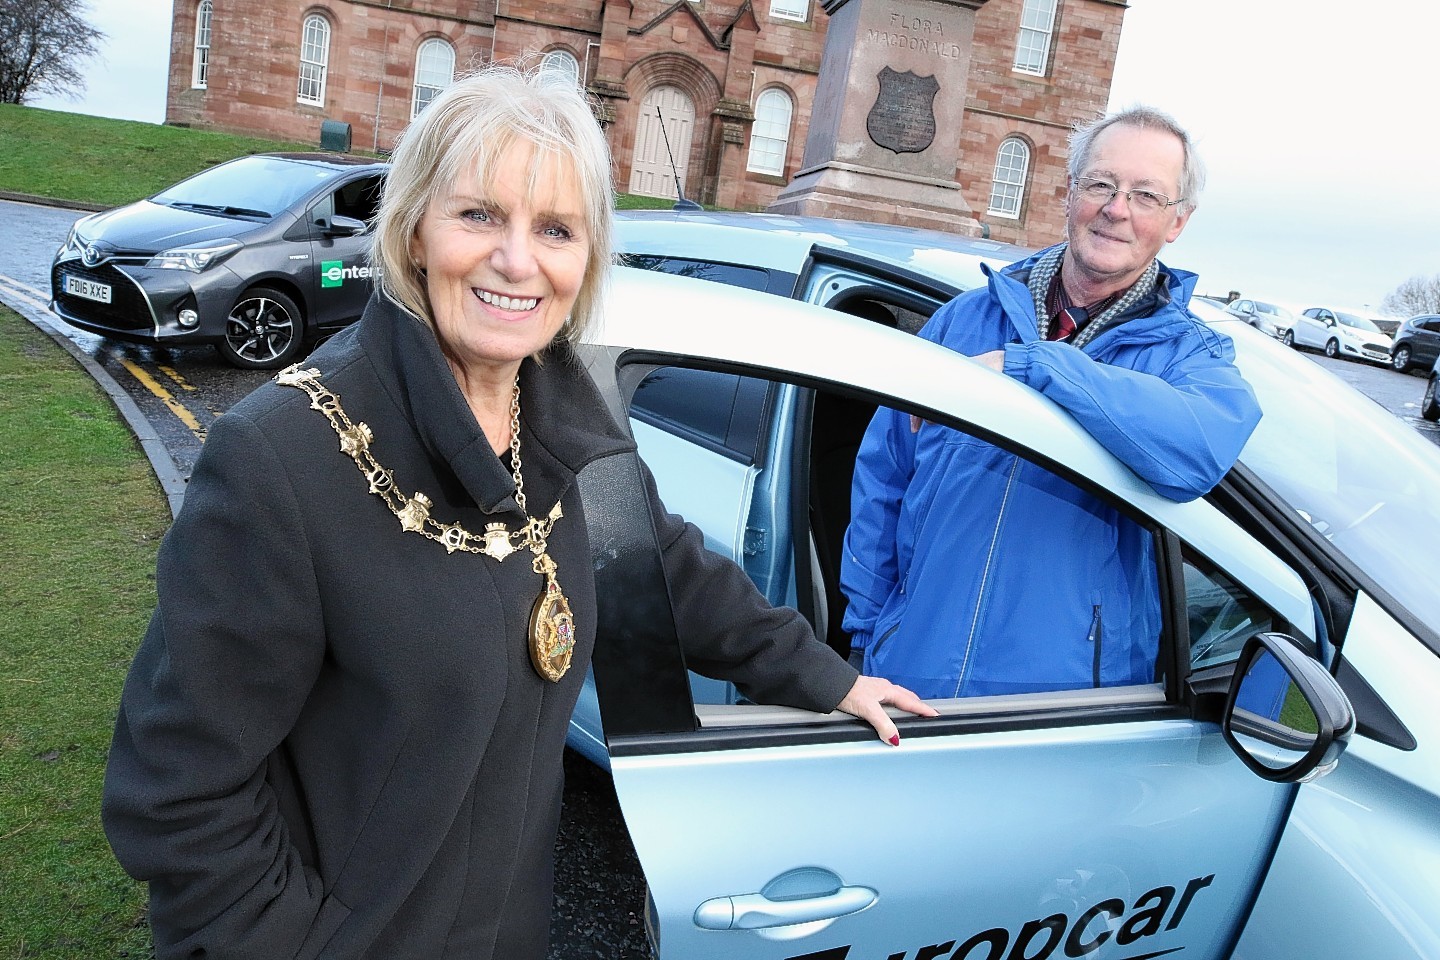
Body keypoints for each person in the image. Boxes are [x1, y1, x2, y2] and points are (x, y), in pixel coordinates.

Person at [101, 62, 933, 960]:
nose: (517, 260)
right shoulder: (281, 460)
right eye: (479, 215)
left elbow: (675, 576)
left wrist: (828, 678)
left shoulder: (571, 428)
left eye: (556, 229)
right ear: (416, 227)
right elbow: (178, 795)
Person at [840, 105, 1262, 700]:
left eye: (1147, 195)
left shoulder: (1191, 359)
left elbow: (1196, 451)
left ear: (1177, 222)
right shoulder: (963, 320)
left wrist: (1033, 365)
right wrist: (867, 636)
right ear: (1068, 194)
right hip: (910, 677)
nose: (1117, 209)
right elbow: (883, 481)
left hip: (1055, 710)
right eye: (1101, 185)